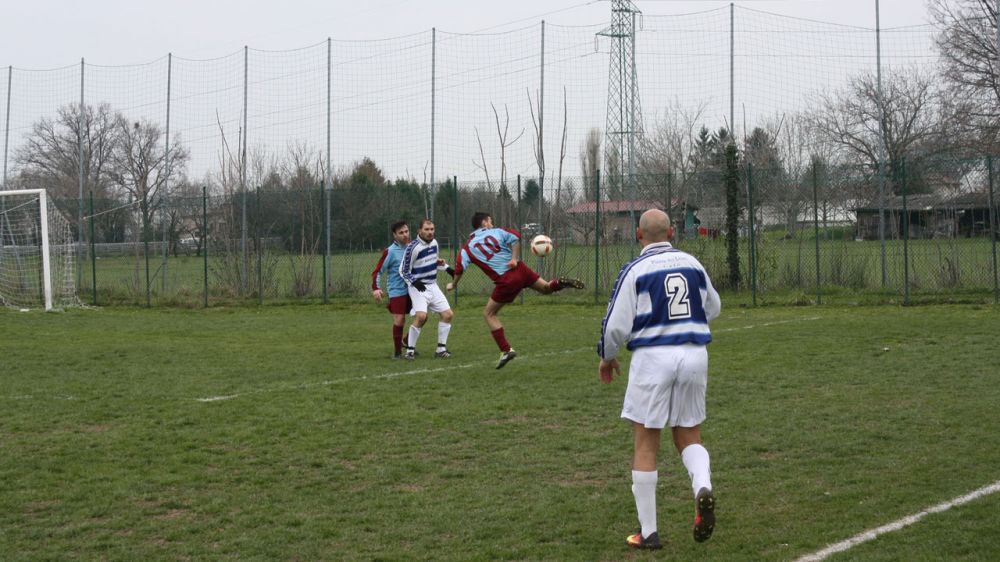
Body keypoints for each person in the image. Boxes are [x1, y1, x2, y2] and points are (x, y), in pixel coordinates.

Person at [597, 208, 721, 550]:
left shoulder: (634, 270)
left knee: (646, 441)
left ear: (639, 236)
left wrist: (607, 357)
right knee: (688, 434)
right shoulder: (693, 263)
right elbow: (714, 307)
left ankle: (649, 533)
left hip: (653, 358)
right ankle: (702, 486)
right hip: (695, 354)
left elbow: (615, 325)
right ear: (671, 234)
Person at [446, 211, 584, 369]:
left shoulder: (467, 248)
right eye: (490, 221)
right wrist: (514, 258)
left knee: (489, 314)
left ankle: (506, 350)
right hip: (520, 269)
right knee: (546, 288)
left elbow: (459, 268)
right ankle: (559, 282)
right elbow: (516, 236)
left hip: (506, 279)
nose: (491, 224)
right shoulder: (498, 232)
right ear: (484, 223)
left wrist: (454, 284)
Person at [398, 219, 455, 359]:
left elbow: (432, 261)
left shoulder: (434, 243)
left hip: (432, 285)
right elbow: (403, 270)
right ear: (419, 231)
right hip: (418, 287)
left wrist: (449, 270)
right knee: (421, 316)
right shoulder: (413, 247)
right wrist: (415, 282)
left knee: (448, 315)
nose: (430, 232)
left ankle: (441, 350)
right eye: (427, 230)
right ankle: (409, 351)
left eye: (432, 229)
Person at [371, 220, 412, 359]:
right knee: (400, 320)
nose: (405, 235)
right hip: (397, 291)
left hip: (413, 289)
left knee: (422, 316)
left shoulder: (413, 247)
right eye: (401, 233)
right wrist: (376, 288)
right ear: (395, 235)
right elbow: (377, 271)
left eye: (406, 231)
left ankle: (406, 341)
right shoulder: (390, 252)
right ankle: (397, 352)